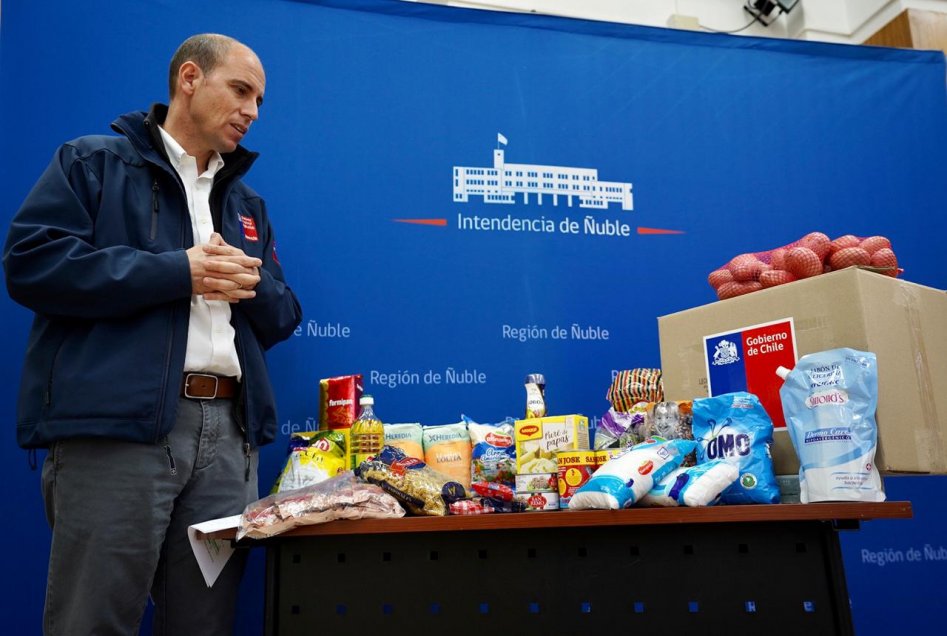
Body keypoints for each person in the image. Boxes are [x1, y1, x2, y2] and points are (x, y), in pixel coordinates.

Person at [3, 34, 302, 635]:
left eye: (260, 101)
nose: (252, 111)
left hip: (227, 440)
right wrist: (179, 271)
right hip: (119, 433)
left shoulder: (247, 204)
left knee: (204, 625)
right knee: (93, 622)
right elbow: (31, 264)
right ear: (189, 79)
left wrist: (250, 283)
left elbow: (282, 316)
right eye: (240, 91)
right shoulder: (92, 163)